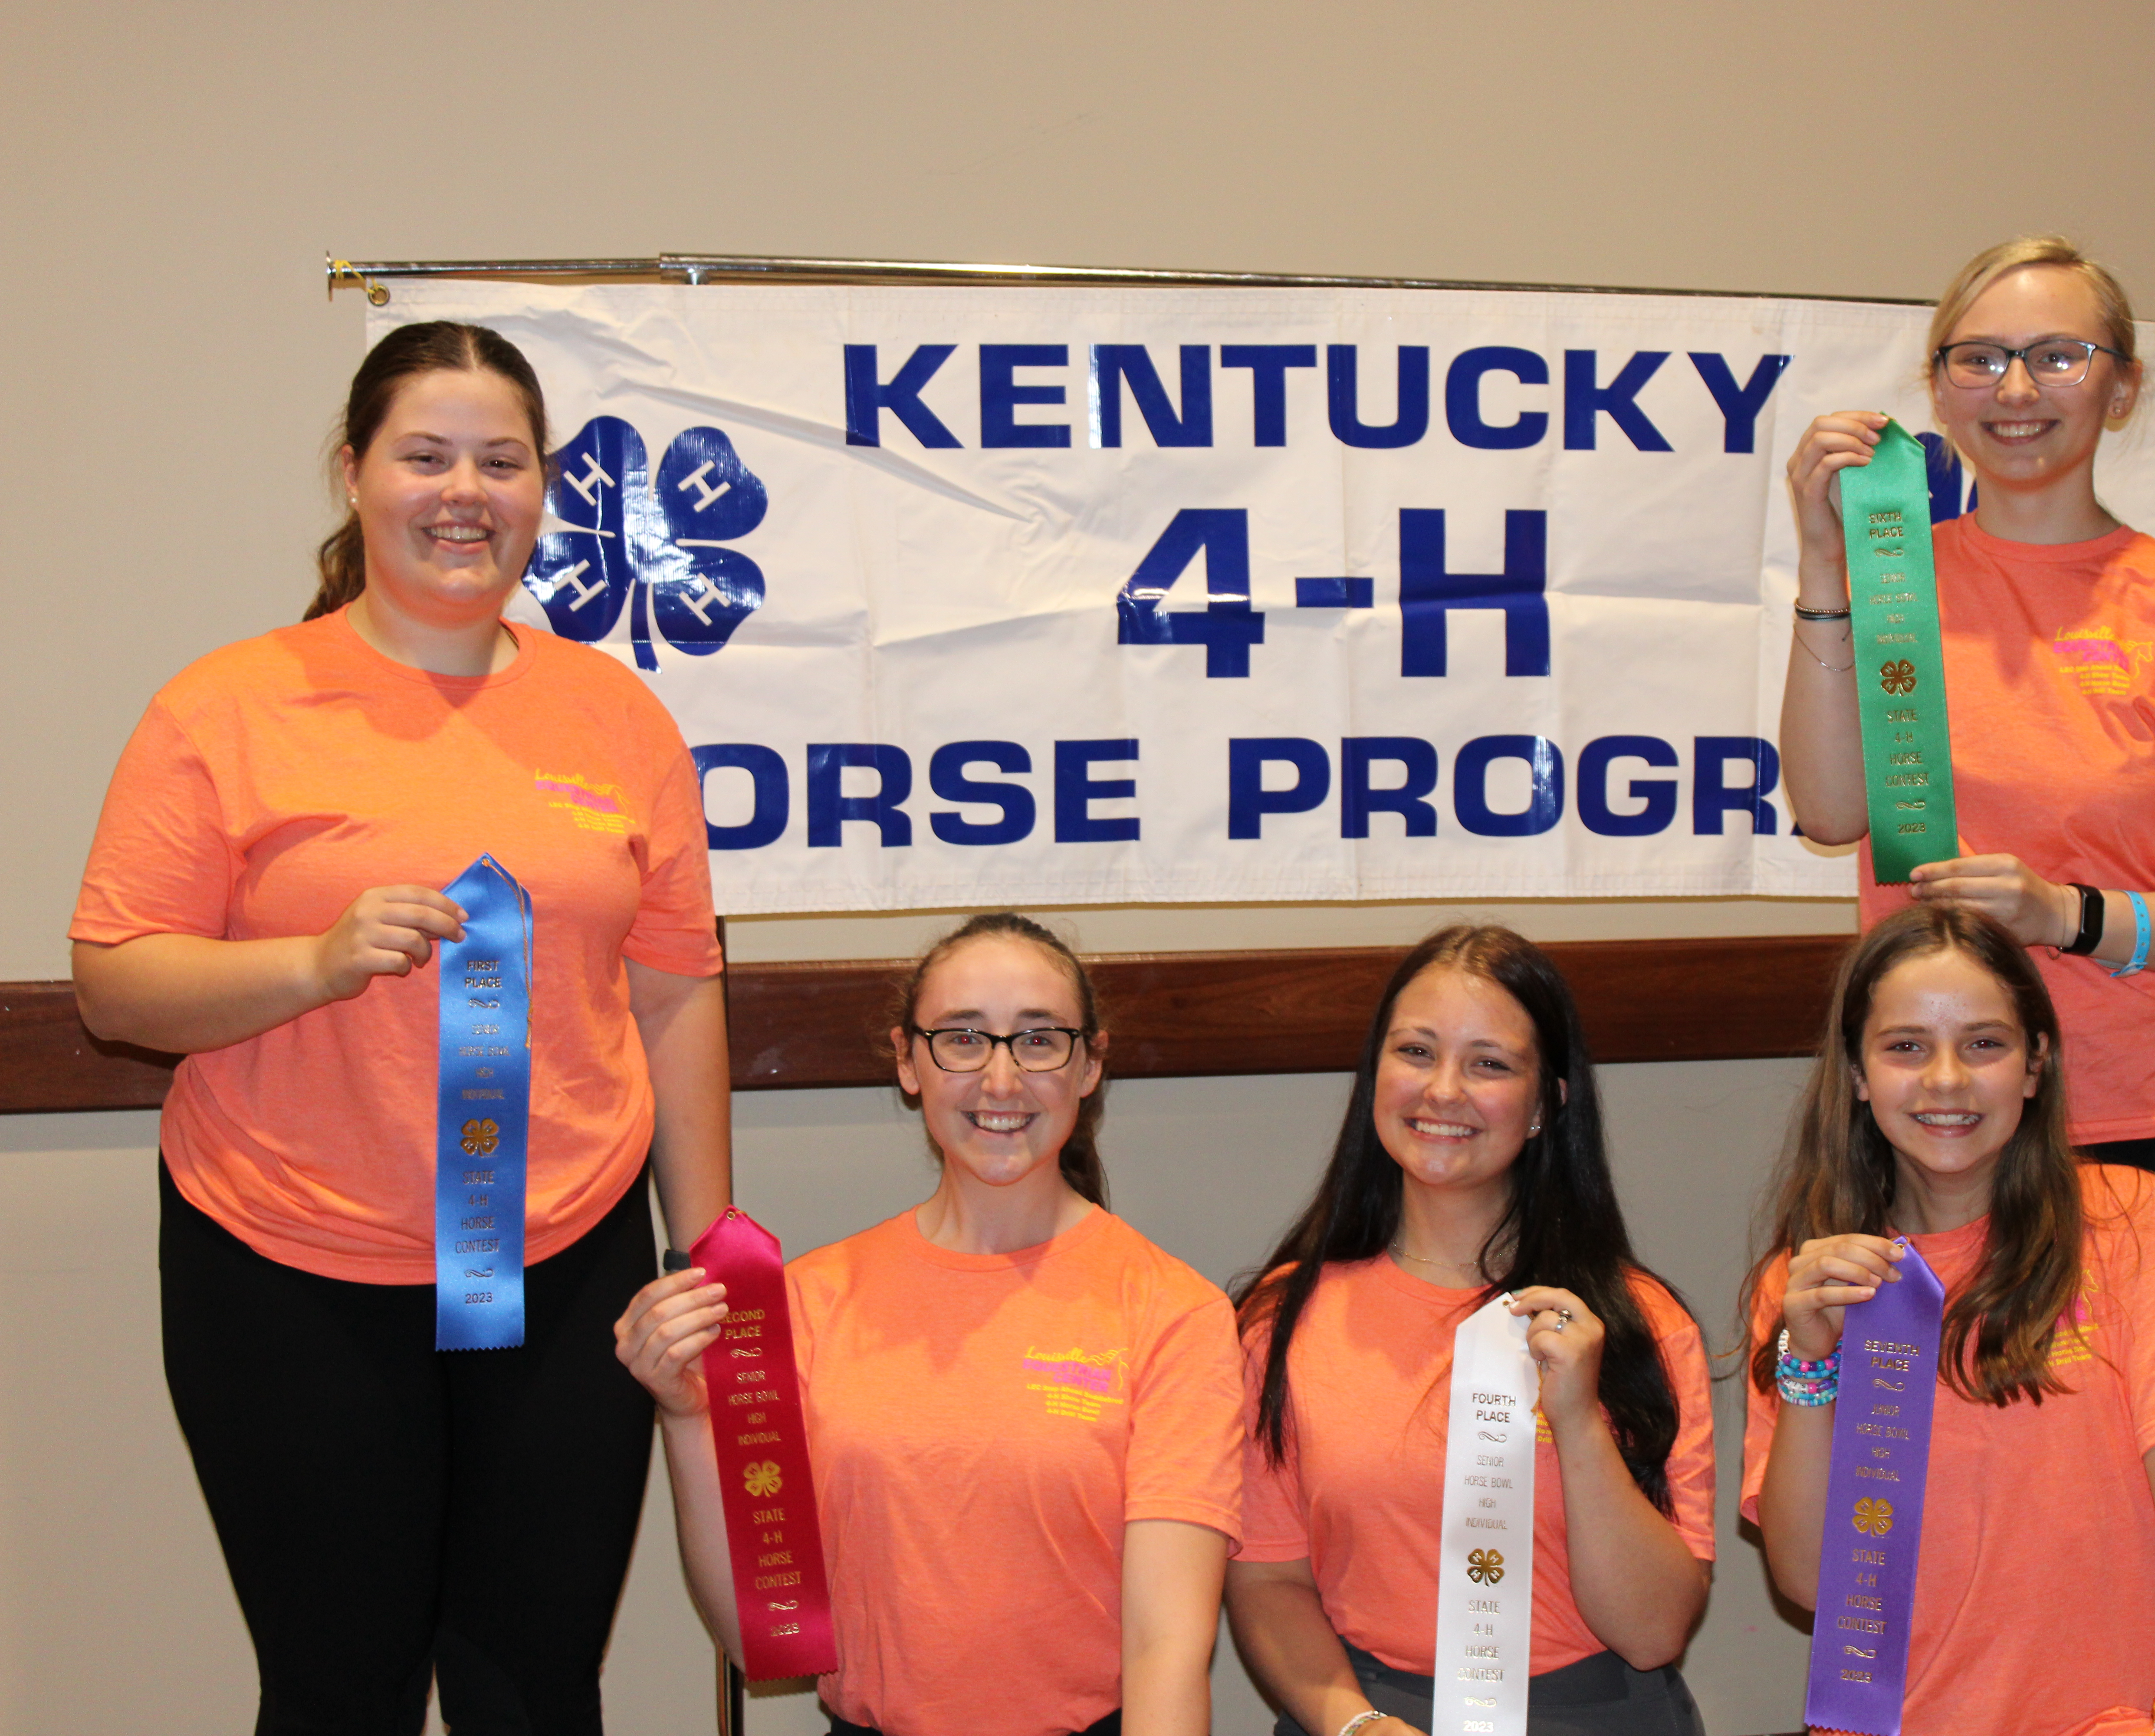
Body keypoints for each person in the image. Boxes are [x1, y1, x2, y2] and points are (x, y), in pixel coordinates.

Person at [69, 321, 731, 1733]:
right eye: (425, 455)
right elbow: (115, 985)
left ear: (544, 488)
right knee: (338, 1690)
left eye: (501, 461)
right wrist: (310, 962)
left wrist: (713, 1251)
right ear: (355, 472)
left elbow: (675, 990)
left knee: (536, 1689)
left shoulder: (616, 715)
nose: (463, 491)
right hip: (289, 1264)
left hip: (567, 1262)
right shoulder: (228, 706)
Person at [1778, 234, 2155, 1729]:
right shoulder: (1895, 585)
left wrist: (2074, 914)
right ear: (1937, 392)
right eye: (1980, 359)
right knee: (1914, 1544)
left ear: (2125, 387)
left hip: (2154, 1133)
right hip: (1934, 1134)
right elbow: (1829, 811)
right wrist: (1822, 563)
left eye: (2059, 356)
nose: (2018, 391)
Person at [618, 911, 1242, 1736]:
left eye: (1039, 1039)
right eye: (962, 1038)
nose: (1001, 1079)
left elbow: (1167, 1648)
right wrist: (687, 1414)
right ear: (909, 1062)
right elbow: (763, 1640)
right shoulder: (809, 1301)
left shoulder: (1174, 1312)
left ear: (1090, 1065)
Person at [1744, 904, 2155, 1736]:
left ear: (2037, 1064)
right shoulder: (1813, 1283)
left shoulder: (2133, 1221)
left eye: (1985, 1044)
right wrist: (1806, 1366)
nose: (1947, 1079)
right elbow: (1811, 1582)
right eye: (1906, 1046)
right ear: (1856, 1073)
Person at [1226, 925, 1715, 1736]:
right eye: (1416, 1052)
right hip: (1368, 1715)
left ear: (1546, 1104)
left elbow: (1654, 1631)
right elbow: (1268, 1583)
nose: (1444, 1090)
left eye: (1490, 1064)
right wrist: (1355, 1725)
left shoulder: (1637, 1323)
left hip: (1600, 1711)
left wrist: (1579, 1420)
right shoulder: (1281, 1322)